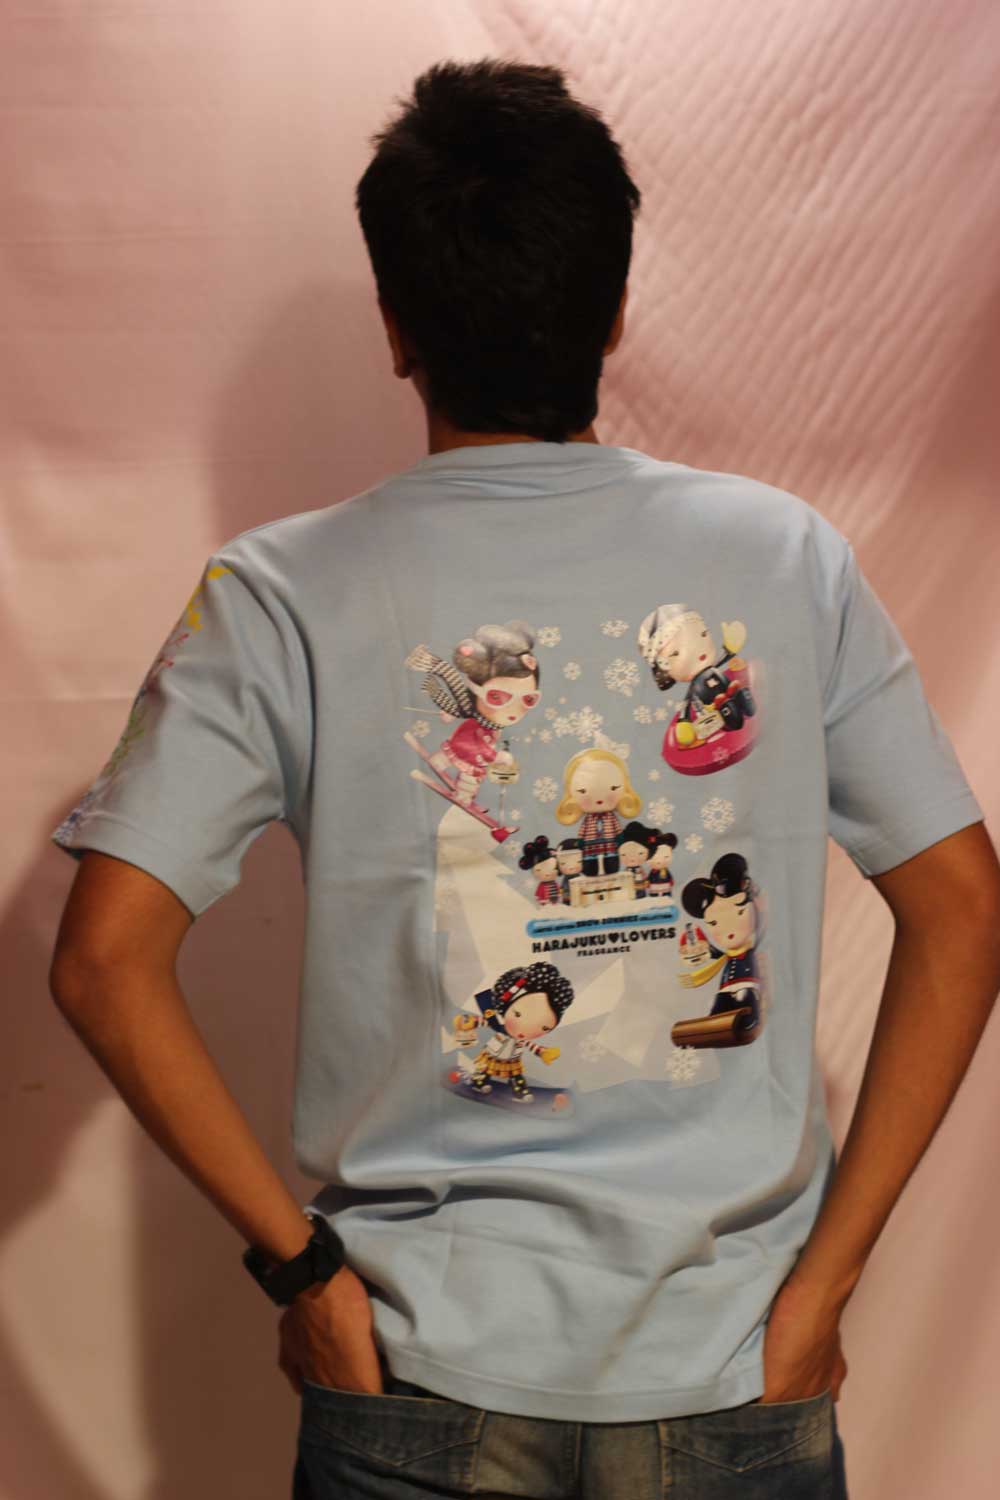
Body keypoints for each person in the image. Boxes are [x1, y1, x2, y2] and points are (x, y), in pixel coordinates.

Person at [47, 57, 1000, 1500]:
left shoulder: (276, 596)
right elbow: (965, 911)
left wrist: (303, 1272)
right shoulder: (785, 559)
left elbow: (102, 963)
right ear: (613, 309)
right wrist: (828, 1279)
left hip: (417, 1375)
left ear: (394, 328)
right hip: (731, 1368)